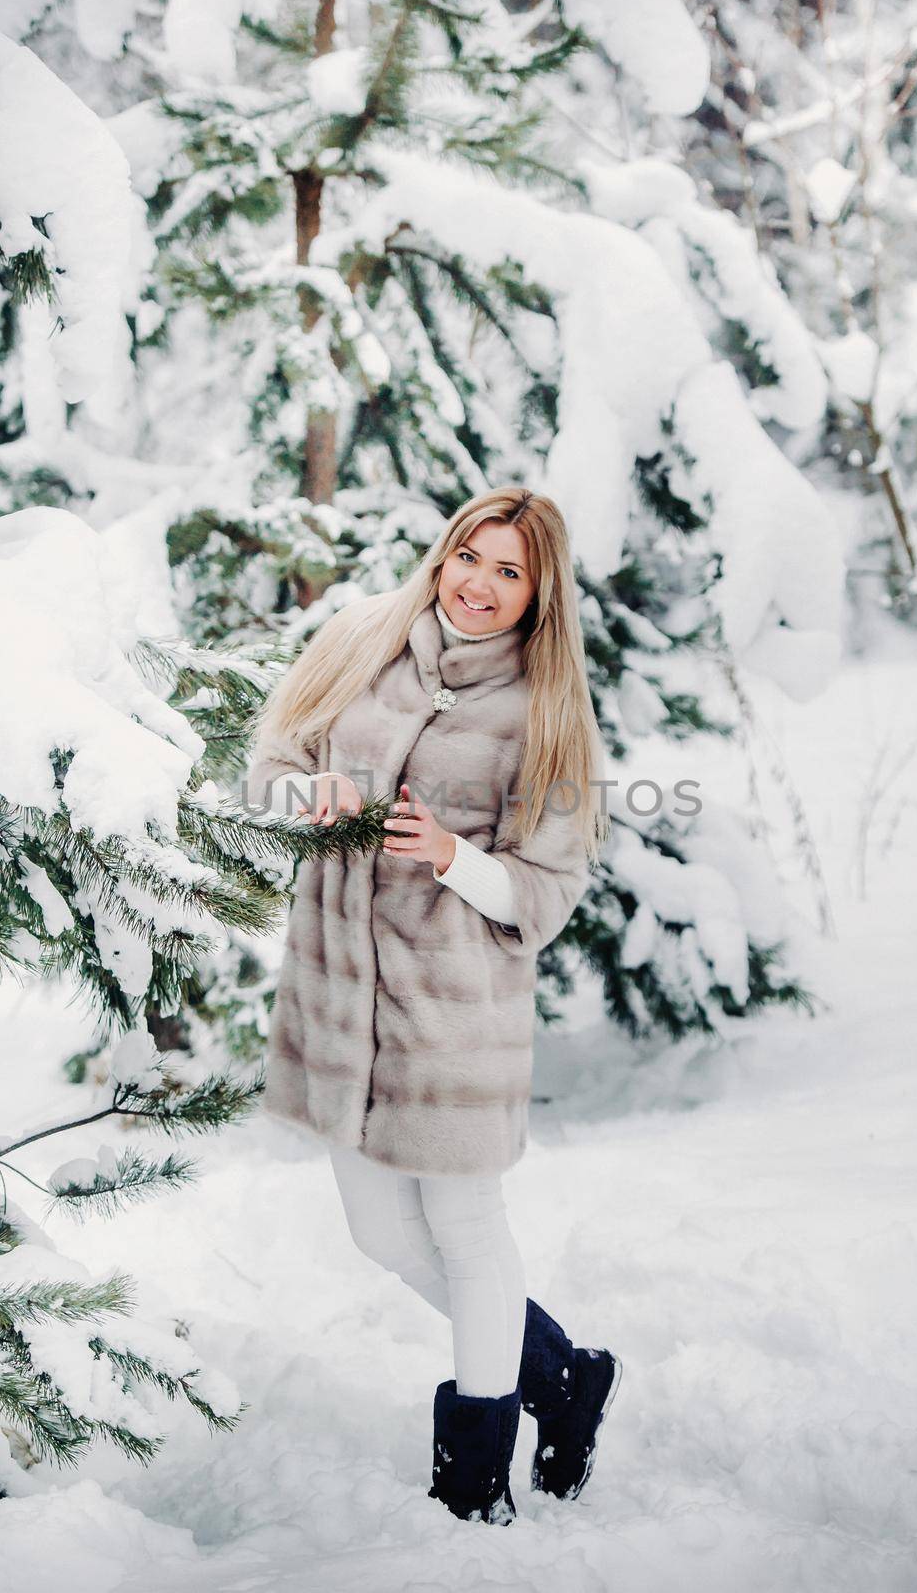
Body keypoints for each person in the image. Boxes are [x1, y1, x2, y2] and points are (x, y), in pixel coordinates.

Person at [245, 486, 622, 1525]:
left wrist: (454, 856)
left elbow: (543, 893)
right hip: (339, 999)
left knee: (464, 1226)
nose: (481, 583)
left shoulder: (546, 712)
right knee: (380, 1232)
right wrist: (304, 797)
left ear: (541, 593)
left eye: (511, 571)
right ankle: (565, 1376)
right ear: (444, 552)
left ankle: (473, 1476)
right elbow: (271, 761)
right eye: (471, 555)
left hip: (455, 1011)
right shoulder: (364, 637)